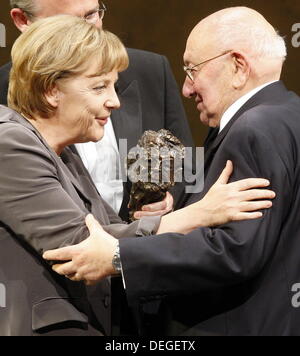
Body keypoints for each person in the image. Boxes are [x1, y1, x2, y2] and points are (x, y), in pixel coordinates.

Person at [0, 14, 275, 336]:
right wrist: (199, 214)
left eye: (114, 86)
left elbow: (111, 231)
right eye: (99, 86)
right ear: (51, 90)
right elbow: (84, 248)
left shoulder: (64, 152)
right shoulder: (10, 143)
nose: (114, 101)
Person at [0, 0, 194, 222]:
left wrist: (169, 200)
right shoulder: (6, 107)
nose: (88, 32)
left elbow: (186, 163)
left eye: (92, 15)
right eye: (70, 23)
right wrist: (196, 218)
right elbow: (79, 239)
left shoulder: (150, 70)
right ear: (23, 20)